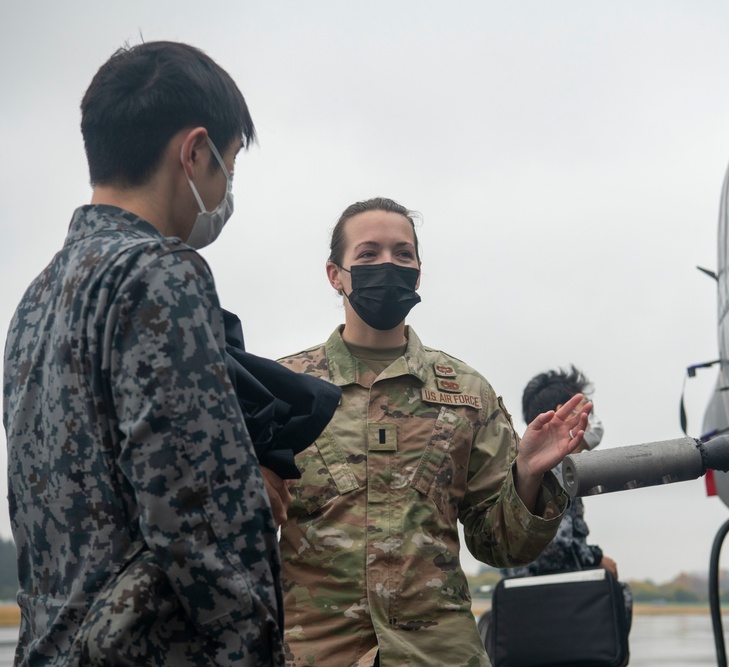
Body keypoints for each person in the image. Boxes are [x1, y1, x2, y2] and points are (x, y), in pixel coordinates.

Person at [2, 42, 287, 665]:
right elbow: (199, 520)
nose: (227, 184)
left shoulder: (38, 296)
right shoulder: (158, 272)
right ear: (194, 151)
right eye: (229, 163)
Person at [277, 197, 591, 666]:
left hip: (437, 654)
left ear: (418, 272)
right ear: (334, 275)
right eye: (368, 254)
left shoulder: (467, 393)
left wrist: (527, 477)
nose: (387, 264)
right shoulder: (286, 391)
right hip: (314, 652)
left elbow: (500, 545)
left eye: (402, 254)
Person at [497, 366, 633, 629]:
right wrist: (596, 560)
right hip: (551, 605)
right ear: (566, 411)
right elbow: (551, 547)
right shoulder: (553, 469)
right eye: (586, 408)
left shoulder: (527, 465)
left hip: (528, 606)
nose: (593, 418)